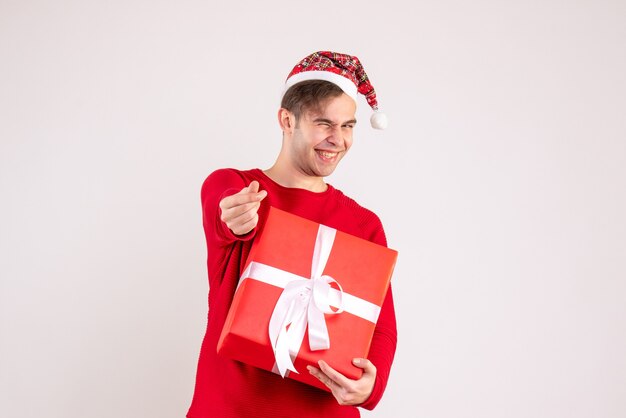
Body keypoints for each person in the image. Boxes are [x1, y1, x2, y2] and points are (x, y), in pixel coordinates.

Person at [186, 51, 397, 418]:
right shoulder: (239, 188)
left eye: (348, 126)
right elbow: (224, 208)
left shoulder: (365, 224)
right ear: (287, 119)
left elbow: (381, 327)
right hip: (230, 408)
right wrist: (234, 217)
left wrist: (369, 385)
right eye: (324, 124)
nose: (338, 139)